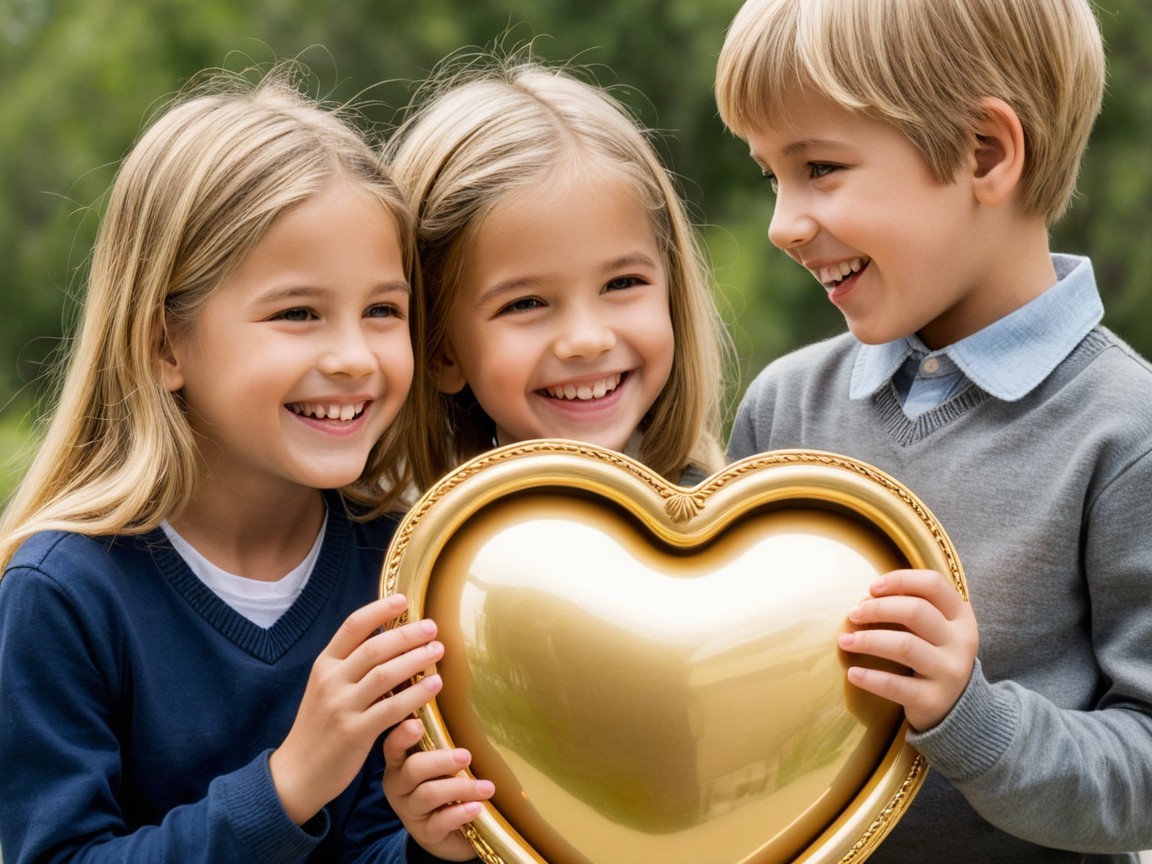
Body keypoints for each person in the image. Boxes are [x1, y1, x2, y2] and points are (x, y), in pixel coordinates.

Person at [0, 66, 487, 864]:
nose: (354, 357)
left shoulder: (405, 564)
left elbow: (370, 846)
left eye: (382, 311)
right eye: (299, 313)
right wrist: (288, 786)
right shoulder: (64, 594)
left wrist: (432, 848)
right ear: (165, 344)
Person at [715, 0, 1152, 861]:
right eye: (772, 176)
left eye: (821, 168)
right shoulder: (784, 408)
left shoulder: (1125, 433)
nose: (782, 223)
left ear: (985, 152)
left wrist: (972, 720)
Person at [376, 52, 732, 854]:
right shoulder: (410, 586)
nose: (586, 338)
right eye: (527, 303)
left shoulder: (744, 540)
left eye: (623, 285)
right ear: (440, 350)